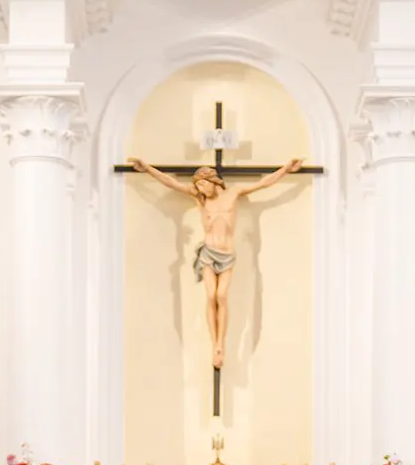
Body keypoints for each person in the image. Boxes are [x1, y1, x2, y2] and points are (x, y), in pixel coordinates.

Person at [128, 156, 304, 369]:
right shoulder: (201, 199)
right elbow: (170, 182)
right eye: (198, 187)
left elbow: (263, 183)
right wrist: (147, 168)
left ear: (212, 180)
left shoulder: (233, 194)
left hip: (227, 254)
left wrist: (285, 169)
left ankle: (222, 340)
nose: (200, 189)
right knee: (211, 295)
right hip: (209, 253)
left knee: (222, 295)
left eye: (202, 184)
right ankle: (216, 345)